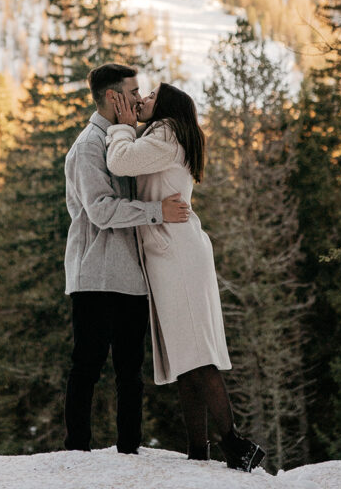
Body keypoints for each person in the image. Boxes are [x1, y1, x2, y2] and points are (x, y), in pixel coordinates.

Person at [106, 81, 266, 473]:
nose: (141, 100)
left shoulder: (166, 136)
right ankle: (199, 448)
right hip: (173, 252)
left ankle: (234, 444)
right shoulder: (166, 135)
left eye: (150, 97)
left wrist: (122, 125)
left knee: (196, 353)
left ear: (167, 107)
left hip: (176, 254)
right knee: (186, 356)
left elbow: (120, 162)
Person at [63, 63, 190, 454]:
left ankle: (129, 452)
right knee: (88, 365)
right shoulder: (88, 146)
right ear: (113, 97)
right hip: (97, 273)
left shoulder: (126, 141)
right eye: (134, 92)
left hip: (131, 274)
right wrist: (156, 211)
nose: (139, 98)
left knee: (130, 372)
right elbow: (100, 211)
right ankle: (77, 451)